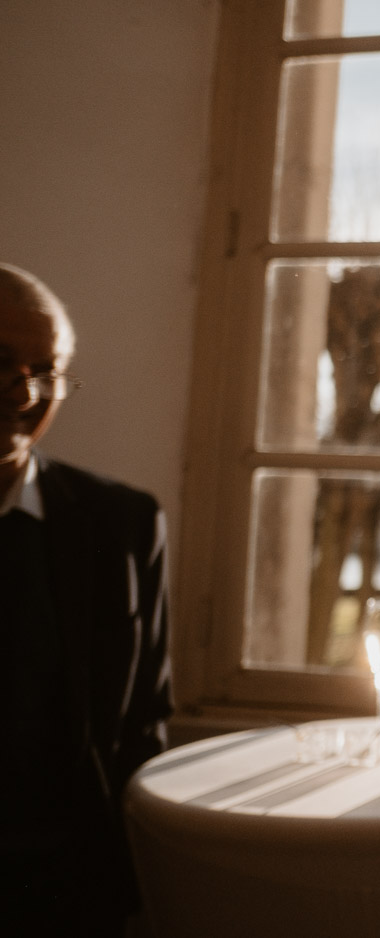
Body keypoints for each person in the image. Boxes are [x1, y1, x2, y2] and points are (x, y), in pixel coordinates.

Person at [0, 263, 172, 934]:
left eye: (46, 369)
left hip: (68, 891)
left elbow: (145, 722)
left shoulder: (123, 523)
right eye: (1, 359)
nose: (24, 391)